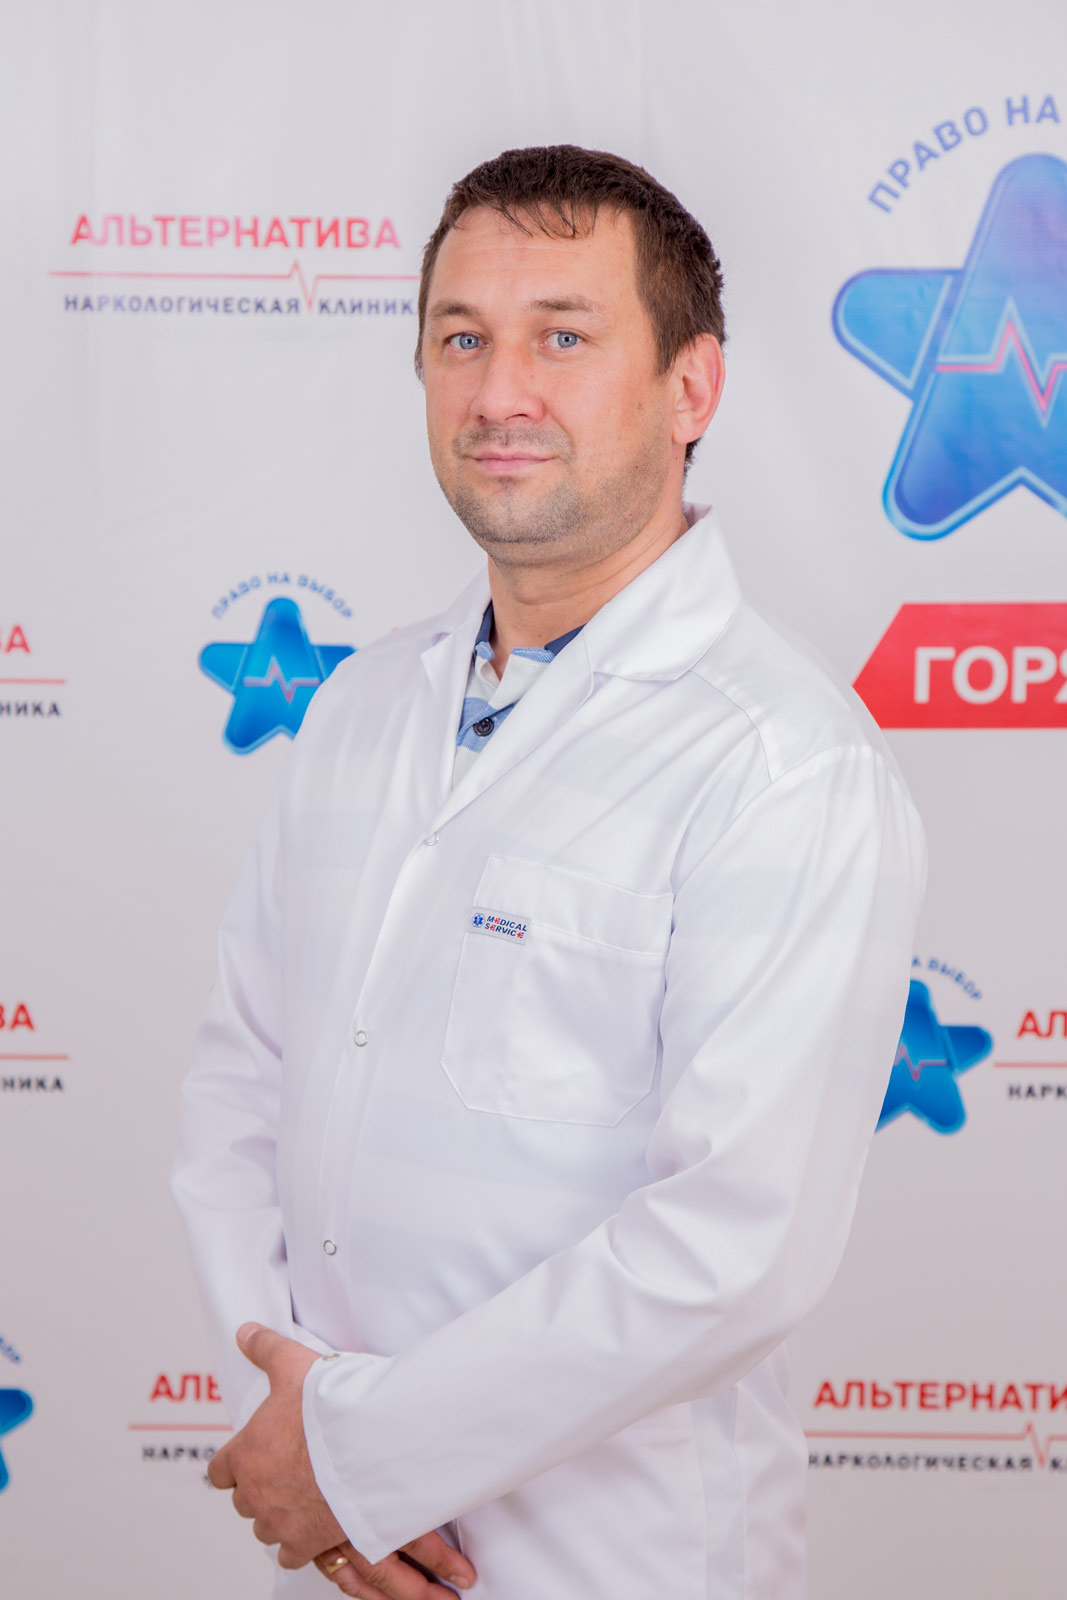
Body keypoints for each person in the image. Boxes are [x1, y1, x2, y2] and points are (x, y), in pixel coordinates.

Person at [173, 144, 925, 1600]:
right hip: (336, 1545)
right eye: (462, 338)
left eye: (563, 338)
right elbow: (240, 1088)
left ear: (692, 388)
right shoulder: (360, 709)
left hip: (618, 1563)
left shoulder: (784, 762)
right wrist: (301, 1431)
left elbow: (736, 1243)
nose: (499, 392)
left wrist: (368, 1458)